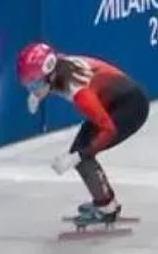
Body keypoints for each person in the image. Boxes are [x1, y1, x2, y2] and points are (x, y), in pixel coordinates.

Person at [18, 42, 149, 226]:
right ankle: (106, 201)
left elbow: (108, 130)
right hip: (113, 100)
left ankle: (106, 208)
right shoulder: (60, 65)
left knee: (82, 153)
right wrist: (38, 95)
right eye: (29, 86)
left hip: (131, 108)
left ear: (51, 76)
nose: (34, 89)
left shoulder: (80, 93)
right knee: (80, 151)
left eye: (36, 84)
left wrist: (80, 155)